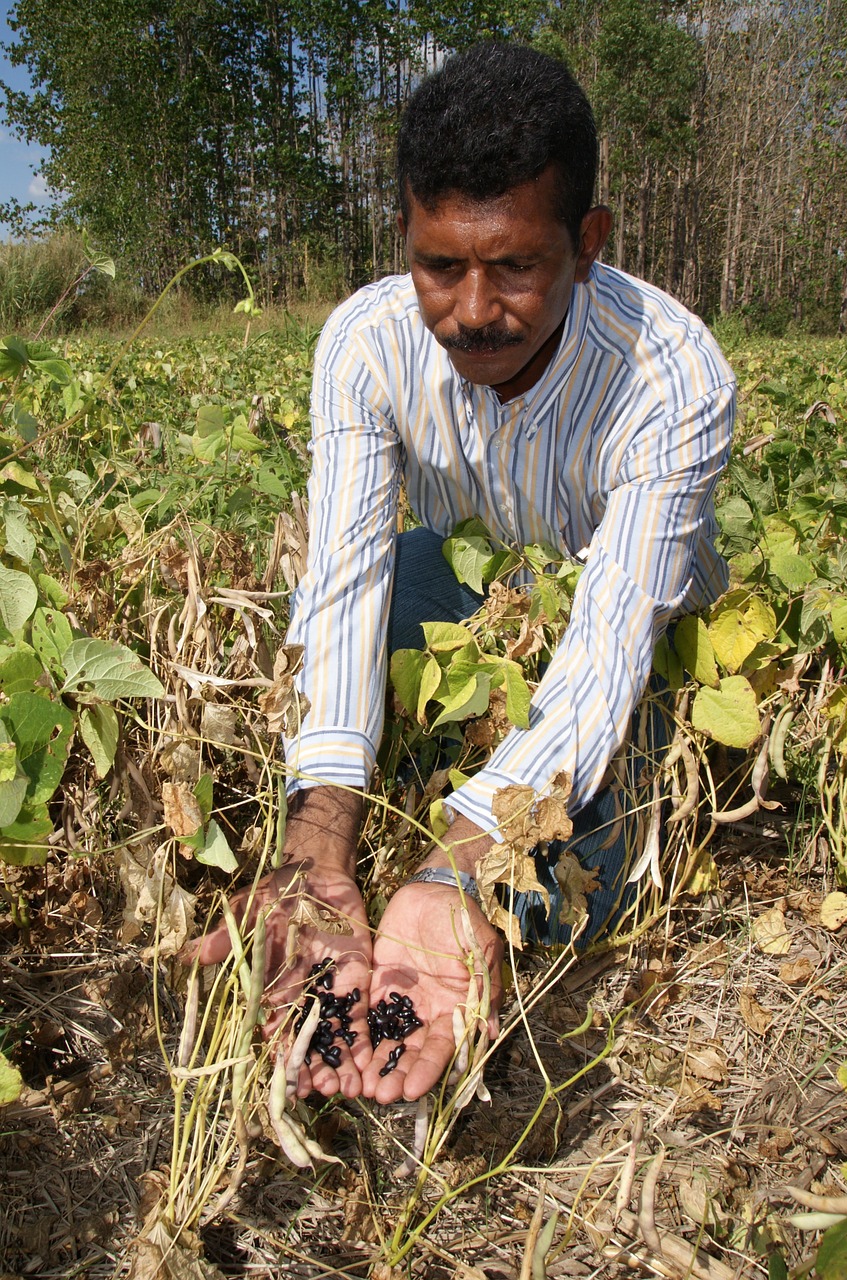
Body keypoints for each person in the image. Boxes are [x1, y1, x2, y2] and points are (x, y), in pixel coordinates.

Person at [195, 41, 736, 1106]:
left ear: (586, 244)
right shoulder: (363, 344)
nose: (473, 309)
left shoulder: (670, 376)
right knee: (386, 573)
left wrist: (457, 870)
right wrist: (318, 846)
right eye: (441, 265)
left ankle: (459, 916)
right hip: (471, 616)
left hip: (622, 654)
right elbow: (346, 586)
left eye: (516, 266)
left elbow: (607, 652)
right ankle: (388, 848)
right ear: (404, 232)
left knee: (596, 842)